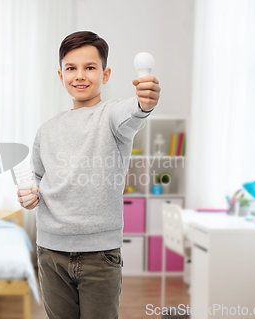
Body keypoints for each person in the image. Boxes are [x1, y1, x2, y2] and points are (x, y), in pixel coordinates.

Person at [17, 30, 161, 319]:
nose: (80, 75)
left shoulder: (112, 117)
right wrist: (28, 193)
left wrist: (145, 101)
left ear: (105, 75)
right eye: (71, 68)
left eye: (90, 68)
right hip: (50, 251)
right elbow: (36, 174)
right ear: (61, 75)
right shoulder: (47, 129)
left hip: (100, 255)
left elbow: (135, 111)